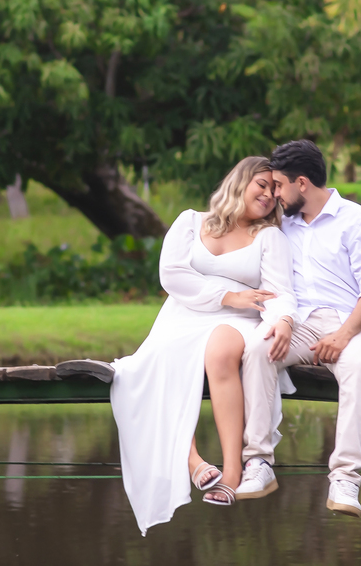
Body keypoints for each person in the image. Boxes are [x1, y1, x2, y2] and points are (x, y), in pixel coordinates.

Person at [110, 156, 298, 535]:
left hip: (239, 319)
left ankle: (232, 472)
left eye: (274, 191)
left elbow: (280, 292)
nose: (268, 195)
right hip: (183, 315)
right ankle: (192, 461)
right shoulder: (191, 222)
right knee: (148, 366)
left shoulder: (269, 237)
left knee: (220, 351)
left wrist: (282, 321)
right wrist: (226, 294)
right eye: (261, 185)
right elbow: (171, 275)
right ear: (239, 182)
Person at [235, 140, 361, 518]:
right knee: (257, 349)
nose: (274, 194)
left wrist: (344, 334)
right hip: (300, 323)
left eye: (278, 185)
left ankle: (346, 478)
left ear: (301, 183)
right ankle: (258, 462)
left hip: (354, 324)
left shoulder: (357, 221)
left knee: (359, 367)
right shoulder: (281, 225)